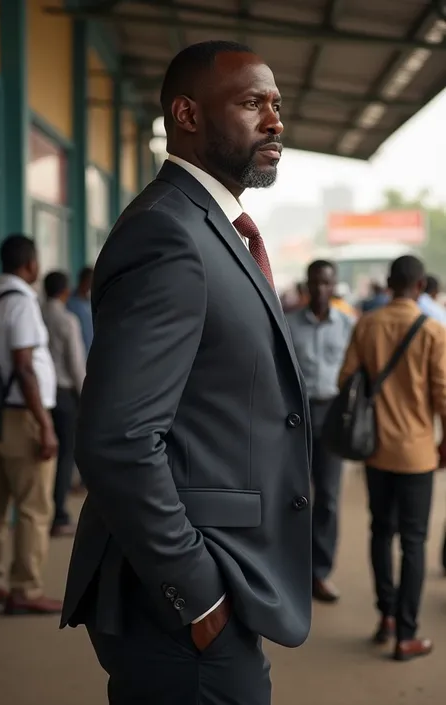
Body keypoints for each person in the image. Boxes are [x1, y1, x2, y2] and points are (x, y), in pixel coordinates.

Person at [60, 40, 312, 705]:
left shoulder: (212, 228)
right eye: (253, 102)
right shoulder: (168, 233)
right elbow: (117, 440)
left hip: (221, 582)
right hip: (179, 607)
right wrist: (197, 596)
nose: (275, 121)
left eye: (277, 105)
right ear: (187, 114)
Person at [339, 255, 446, 662]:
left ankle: (384, 616)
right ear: (420, 287)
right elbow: (443, 395)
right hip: (417, 455)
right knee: (414, 542)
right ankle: (407, 633)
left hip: (376, 452)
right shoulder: (433, 332)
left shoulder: (367, 324)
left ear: (388, 283)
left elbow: (345, 379)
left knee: (381, 532)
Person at [0, 235, 61, 615]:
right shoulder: (21, 303)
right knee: (32, 507)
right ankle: (24, 588)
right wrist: (46, 425)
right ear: (30, 264)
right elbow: (24, 368)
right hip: (20, 417)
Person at [286, 260, 354, 603]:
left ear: (334, 284)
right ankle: (290, 570)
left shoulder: (347, 325)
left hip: (332, 414)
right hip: (296, 416)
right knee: (294, 495)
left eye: (326, 283)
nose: (321, 289)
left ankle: (320, 573)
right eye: (315, 283)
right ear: (306, 285)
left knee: (327, 496)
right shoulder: (288, 324)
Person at [42, 271, 87, 537]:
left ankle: (50, 509)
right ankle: (58, 514)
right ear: (64, 291)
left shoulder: (37, 313)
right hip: (65, 394)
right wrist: (85, 396)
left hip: (41, 396)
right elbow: (75, 363)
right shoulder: (66, 319)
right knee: (65, 454)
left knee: (44, 458)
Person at [67, 266, 93, 355]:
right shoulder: (70, 301)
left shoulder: (91, 301)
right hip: (76, 350)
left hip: (91, 349)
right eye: (89, 281)